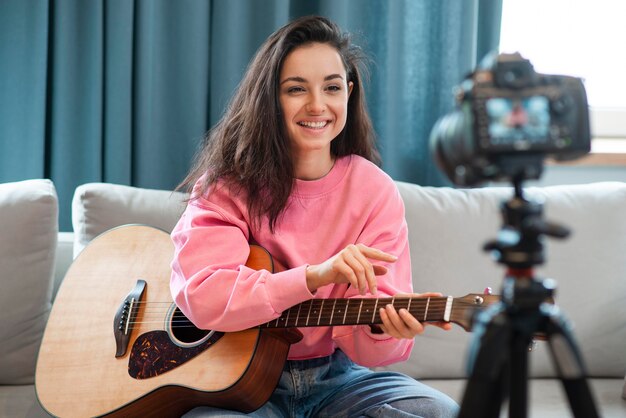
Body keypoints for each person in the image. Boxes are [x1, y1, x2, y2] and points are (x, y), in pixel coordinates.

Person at [170, 15, 459, 418]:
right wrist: (314, 276)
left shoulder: (374, 191)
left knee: (440, 412)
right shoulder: (225, 186)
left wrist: (386, 331)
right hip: (234, 382)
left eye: (332, 87)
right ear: (270, 98)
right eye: (295, 89)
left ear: (349, 93)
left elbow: (375, 346)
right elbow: (204, 295)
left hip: (338, 380)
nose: (317, 105)